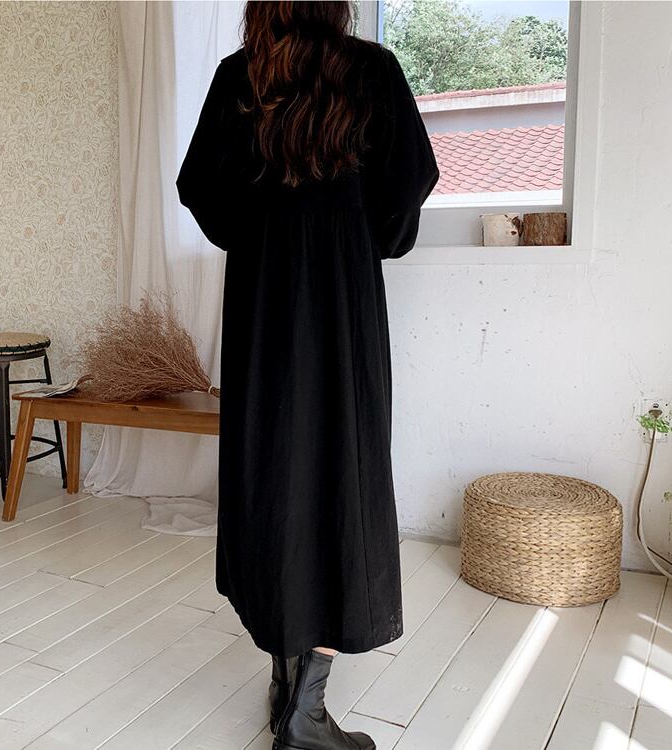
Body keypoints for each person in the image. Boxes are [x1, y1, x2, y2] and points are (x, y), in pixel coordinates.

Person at [176, 2, 439, 748]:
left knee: (272, 472)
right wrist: (360, 231)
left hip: (264, 309)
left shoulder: (241, 76)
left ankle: (289, 687)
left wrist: (260, 233)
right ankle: (305, 710)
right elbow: (410, 181)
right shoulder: (371, 70)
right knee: (341, 478)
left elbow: (199, 186)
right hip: (342, 308)